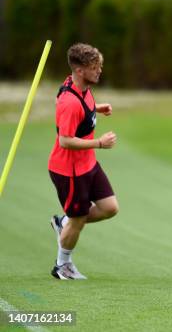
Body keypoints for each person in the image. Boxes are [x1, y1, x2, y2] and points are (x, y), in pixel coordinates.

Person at [48, 43, 119, 280]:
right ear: (79, 70)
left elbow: (81, 108)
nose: (100, 71)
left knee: (110, 208)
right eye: (94, 67)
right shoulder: (69, 101)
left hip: (87, 163)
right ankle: (62, 266)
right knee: (79, 219)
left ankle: (64, 222)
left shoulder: (83, 88)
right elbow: (65, 141)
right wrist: (99, 143)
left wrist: (95, 108)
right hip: (69, 170)